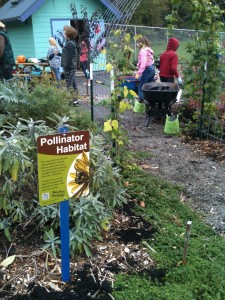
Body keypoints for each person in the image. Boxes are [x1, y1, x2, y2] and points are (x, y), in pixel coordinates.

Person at [135, 36, 155, 102]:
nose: (137, 44)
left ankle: (142, 101)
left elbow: (143, 63)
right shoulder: (148, 49)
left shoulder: (143, 51)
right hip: (151, 69)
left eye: (137, 42)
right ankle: (149, 100)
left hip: (147, 69)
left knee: (142, 86)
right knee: (148, 85)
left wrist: (138, 73)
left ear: (141, 43)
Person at [61, 26, 79, 99]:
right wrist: (59, 54)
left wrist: (67, 68)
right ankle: (75, 100)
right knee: (73, 84)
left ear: (68, 33)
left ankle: (74, 100)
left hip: (70, 67)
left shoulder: (70, 44)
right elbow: (67, 54)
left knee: (70, 85)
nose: (63, 33)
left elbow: (70, 57)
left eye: (64, 32)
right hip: (70, 66)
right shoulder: (69, 43)